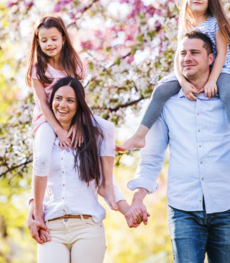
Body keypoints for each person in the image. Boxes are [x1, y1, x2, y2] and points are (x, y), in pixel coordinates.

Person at [124, 31, 230, 263]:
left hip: (227, 204)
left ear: (211, 58)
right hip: (183, 207)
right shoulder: (167, 103)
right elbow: (152, 157)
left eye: (195, 52)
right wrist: (138, 198)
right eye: (183, 53)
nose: (187, 58)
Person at [117, 0, 230, 152]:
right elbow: (179, 57)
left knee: (227, 93)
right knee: (160, 91)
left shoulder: (216, 22)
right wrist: (184, 83)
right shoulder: (185, 25)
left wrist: (212, 80)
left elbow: (222, 53)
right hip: (193, 68)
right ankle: (138, 137)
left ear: (211, 0)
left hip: (220, 68)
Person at [26, 77, 143, 263]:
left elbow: (107, 182)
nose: (62, 104)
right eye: (58, 98)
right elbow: (38, 179)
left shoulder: (91, 138)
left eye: (70, 100)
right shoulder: (44, 136)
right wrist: (31, 213)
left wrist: (127, 210)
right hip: (52, 228)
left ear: (79, 105)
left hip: (87, 227)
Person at [26, 16, 118, 211]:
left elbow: (78, 98)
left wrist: (78, 123)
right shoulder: (37, 70)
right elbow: (43, 103)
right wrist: (58, 130)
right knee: (42, 156)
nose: (49, 44)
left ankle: (107, 184)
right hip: (47, 119)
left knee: (108, 128)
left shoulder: (74, 65)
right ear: (38, 42)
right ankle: (37, 207)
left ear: (63, 39)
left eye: (53, 39)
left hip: (74, 115)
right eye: (43, 40)